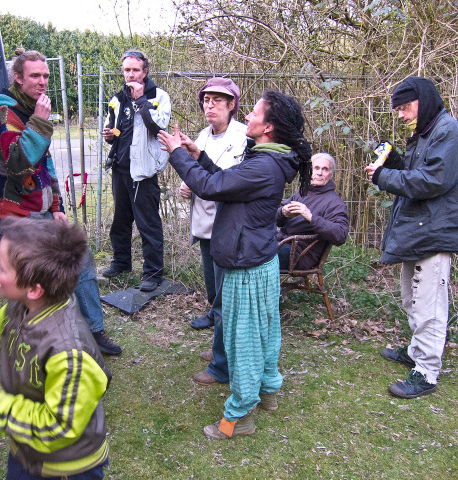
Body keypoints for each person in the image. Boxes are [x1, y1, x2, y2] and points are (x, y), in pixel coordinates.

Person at [159, 90, 312, 439]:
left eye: (254, 112)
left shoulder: (263, 165)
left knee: (242, 342)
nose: (248, 116)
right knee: (266, 333)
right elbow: (228, 185)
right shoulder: (269, 159)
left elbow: (210, 187)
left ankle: (239, 416)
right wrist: (199, 156)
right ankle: (268, 391)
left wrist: (177, 154)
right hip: (259, 260)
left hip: (246, 268)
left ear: (268, 127)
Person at [0, 217, 111, 479]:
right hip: (26, 451)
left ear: (34, 289)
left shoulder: (69, 353)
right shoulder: (20, 309)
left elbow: (58, 428)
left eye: (2, 266)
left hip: (68, 468)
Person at [0, 48, 121, 355]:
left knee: (81, 257)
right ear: (18, 78)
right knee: (34, 281)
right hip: (16, 214)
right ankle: (38, 344)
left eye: (46, 76)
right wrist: (40, 122)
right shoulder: (4, 113)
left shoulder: (32, 110)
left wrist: (57, 207)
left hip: (41, 211)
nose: (42, 82)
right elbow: (19, 166)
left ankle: (94, 331)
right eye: (35, 76)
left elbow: (45, 166)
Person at [365, 76, 458, 399]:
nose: (400, 114)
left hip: (437, 231)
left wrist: (384, 175)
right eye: (398, 109)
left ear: (423, 101)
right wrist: (394, 162)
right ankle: (417, 351)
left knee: (429, 305)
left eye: (404, 107)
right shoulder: (426, 132)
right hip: (419, 229)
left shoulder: (450, 132)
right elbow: (416, 174)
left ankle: (426, 372)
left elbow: (432, 181)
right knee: (411, 299)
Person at [179, 78, 248, 387]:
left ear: (232, 105)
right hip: (205, 226)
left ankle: (223, 364)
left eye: (218, 100)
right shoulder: (203, 136)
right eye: (206, 100)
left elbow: (229, 183)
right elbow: (197, 174)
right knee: (214, 293)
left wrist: (199, 182)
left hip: (228, 228)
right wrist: (187, 185)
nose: (210, 105)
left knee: (225, 299)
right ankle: (222, 346)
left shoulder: (243, 137)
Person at [101, 49, 171, 292]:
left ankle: (153, 273)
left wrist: (141, 100)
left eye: (135, 70)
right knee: (120, 222)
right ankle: (121, 263)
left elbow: (158, 127)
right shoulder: (117, 98)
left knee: (148, 224)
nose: (130, 74)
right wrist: (110, 135)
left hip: (144, 171)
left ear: (145, 72)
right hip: (120, 168)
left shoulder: (159, 96)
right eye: (126, 70)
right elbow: (116, 129)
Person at [276, 152, 349, 270]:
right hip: (280, 243)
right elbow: (272, 216)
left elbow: (340, 235)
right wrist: (283, 212)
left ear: (330, 175)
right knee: (248, 244)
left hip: (300, 255)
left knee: (258, 254)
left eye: (325, 169)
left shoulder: (335, 202)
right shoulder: (302, 193)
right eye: (316, 168)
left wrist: (311, 217)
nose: (320, 173)